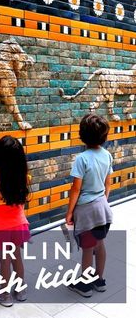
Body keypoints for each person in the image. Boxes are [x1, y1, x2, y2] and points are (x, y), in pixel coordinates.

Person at [65, 114, 113, 298]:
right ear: (104, 136)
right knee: (100, 245)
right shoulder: (107, 155)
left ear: (82, 135)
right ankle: (99, 280)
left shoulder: (81, 159)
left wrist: (69, 212)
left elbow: (76, 189)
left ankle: (84, 286)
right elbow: (107, 184)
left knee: (87, 248)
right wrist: (103, 200)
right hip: (103, 209)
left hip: (86, 212)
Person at [0, 135, 31, 307]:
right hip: (18, 224)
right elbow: (22, 202)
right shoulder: (23, 176)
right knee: (16, 256)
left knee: (5, 260)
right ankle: (21, 290)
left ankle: (4, 295)